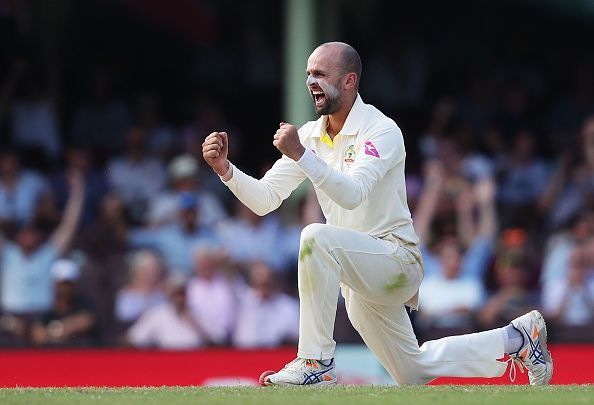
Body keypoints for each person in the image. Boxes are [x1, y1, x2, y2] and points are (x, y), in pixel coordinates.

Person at [202, 42, 552, 386]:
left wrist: (300, 155)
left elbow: (352, 195)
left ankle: (314, 362)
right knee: (412, 370)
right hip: (357, 276)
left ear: (349, 80)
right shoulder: (310, 136)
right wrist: (226, 170)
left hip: (396, 261)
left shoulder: (381, 130)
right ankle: (520, 338)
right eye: (308, 73)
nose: (311, 81)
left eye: (320, 74)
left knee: (314, 237)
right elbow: (265, 199)